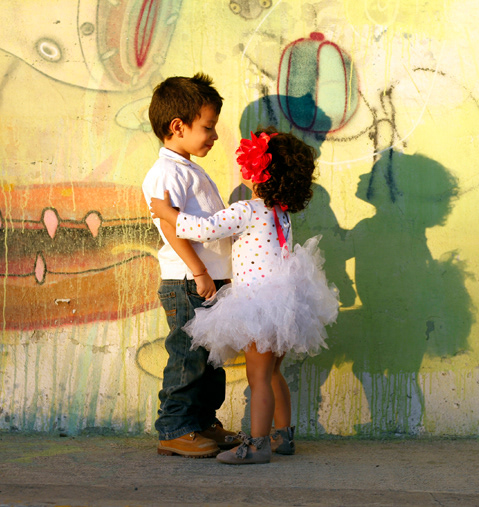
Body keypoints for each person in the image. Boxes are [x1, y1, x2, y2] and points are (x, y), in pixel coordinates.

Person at [150, 129, 339, 464]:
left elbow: (205, 230)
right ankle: (284, 437)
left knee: (259, 378)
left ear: (256, 172)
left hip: (259, 307)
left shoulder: (247, 210)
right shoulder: (280, 213)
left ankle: (257, 446)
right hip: (283, 306)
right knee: (274, 374)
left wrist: (167, 213)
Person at [142, 74, 239, 458]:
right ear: (178, 126)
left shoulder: (187, 168)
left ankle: (201, 423)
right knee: (189, 356)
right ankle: (175, 429)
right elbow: (171, 226)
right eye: (208, 127)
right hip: (188, 282)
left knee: (210, 359)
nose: (213, 136)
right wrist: (199, 271)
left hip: (206, 280)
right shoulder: (166, 173)